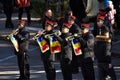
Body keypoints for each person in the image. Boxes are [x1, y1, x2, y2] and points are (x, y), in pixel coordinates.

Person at [94, 15, 116, 80]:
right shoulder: (104, 40)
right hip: (103, 61)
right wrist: (109, 62)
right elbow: (107, 51)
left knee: (102, 76)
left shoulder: (103, 40)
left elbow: (107, 51)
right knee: (111, 76)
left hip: (102, 61)